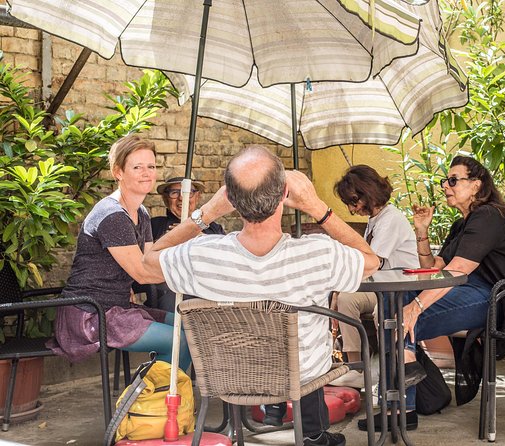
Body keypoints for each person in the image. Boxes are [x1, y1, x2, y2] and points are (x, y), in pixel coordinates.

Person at [142, 145, 379, 446]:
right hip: (301, 378)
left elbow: (147, 264)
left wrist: (206, 213)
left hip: (229, 377)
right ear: (284, 196)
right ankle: (313, 433)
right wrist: (318, 207)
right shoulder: (318, 253)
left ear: (229, 199)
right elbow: (371, 261)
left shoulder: (202, 254)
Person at [358, 155, 505, 432]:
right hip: (468, 290)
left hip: (496, 299)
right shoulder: (462, 224)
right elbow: (434, 269)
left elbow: (459, 268)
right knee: (392, 301)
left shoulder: (489, 216)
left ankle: (402, 406)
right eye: (444, 181)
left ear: (476, 185)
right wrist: (422, 232)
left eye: (453, 180)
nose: (446, 186)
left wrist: (416, 306)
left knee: (399, 317)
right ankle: (409, 377)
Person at [48, 135, 191, 372]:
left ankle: (158, 398)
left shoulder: (140, 212)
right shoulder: (112, 215)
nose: (147, 173)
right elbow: (144, 273)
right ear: (118, 172)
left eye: (151, 166)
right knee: (180, 341)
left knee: (190, 329)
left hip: (119, 308)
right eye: (137, 167)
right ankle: (159, 405)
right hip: (91, 313)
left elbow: (150, 258)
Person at [329, 165, 419, 388]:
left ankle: (390, 371)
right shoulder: (375, 219)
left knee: (382, 307)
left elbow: (372, 263)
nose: (351, 210)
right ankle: (356, 367)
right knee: (346, 299)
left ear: (367, 193)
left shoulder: (391, 219)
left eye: (353, 202)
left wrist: (338, 285)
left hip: (400, 289)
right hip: (382, 286)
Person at [145, 177, 225, 311]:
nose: (182, 197)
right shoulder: (154, 226)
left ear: (197, 196)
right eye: (174, 192)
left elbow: (226, 262)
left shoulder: (213, 229)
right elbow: (142, 265)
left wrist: (199, 238)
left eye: (188, 192)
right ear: (166, 199)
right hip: (167, 302)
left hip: (207, 301)